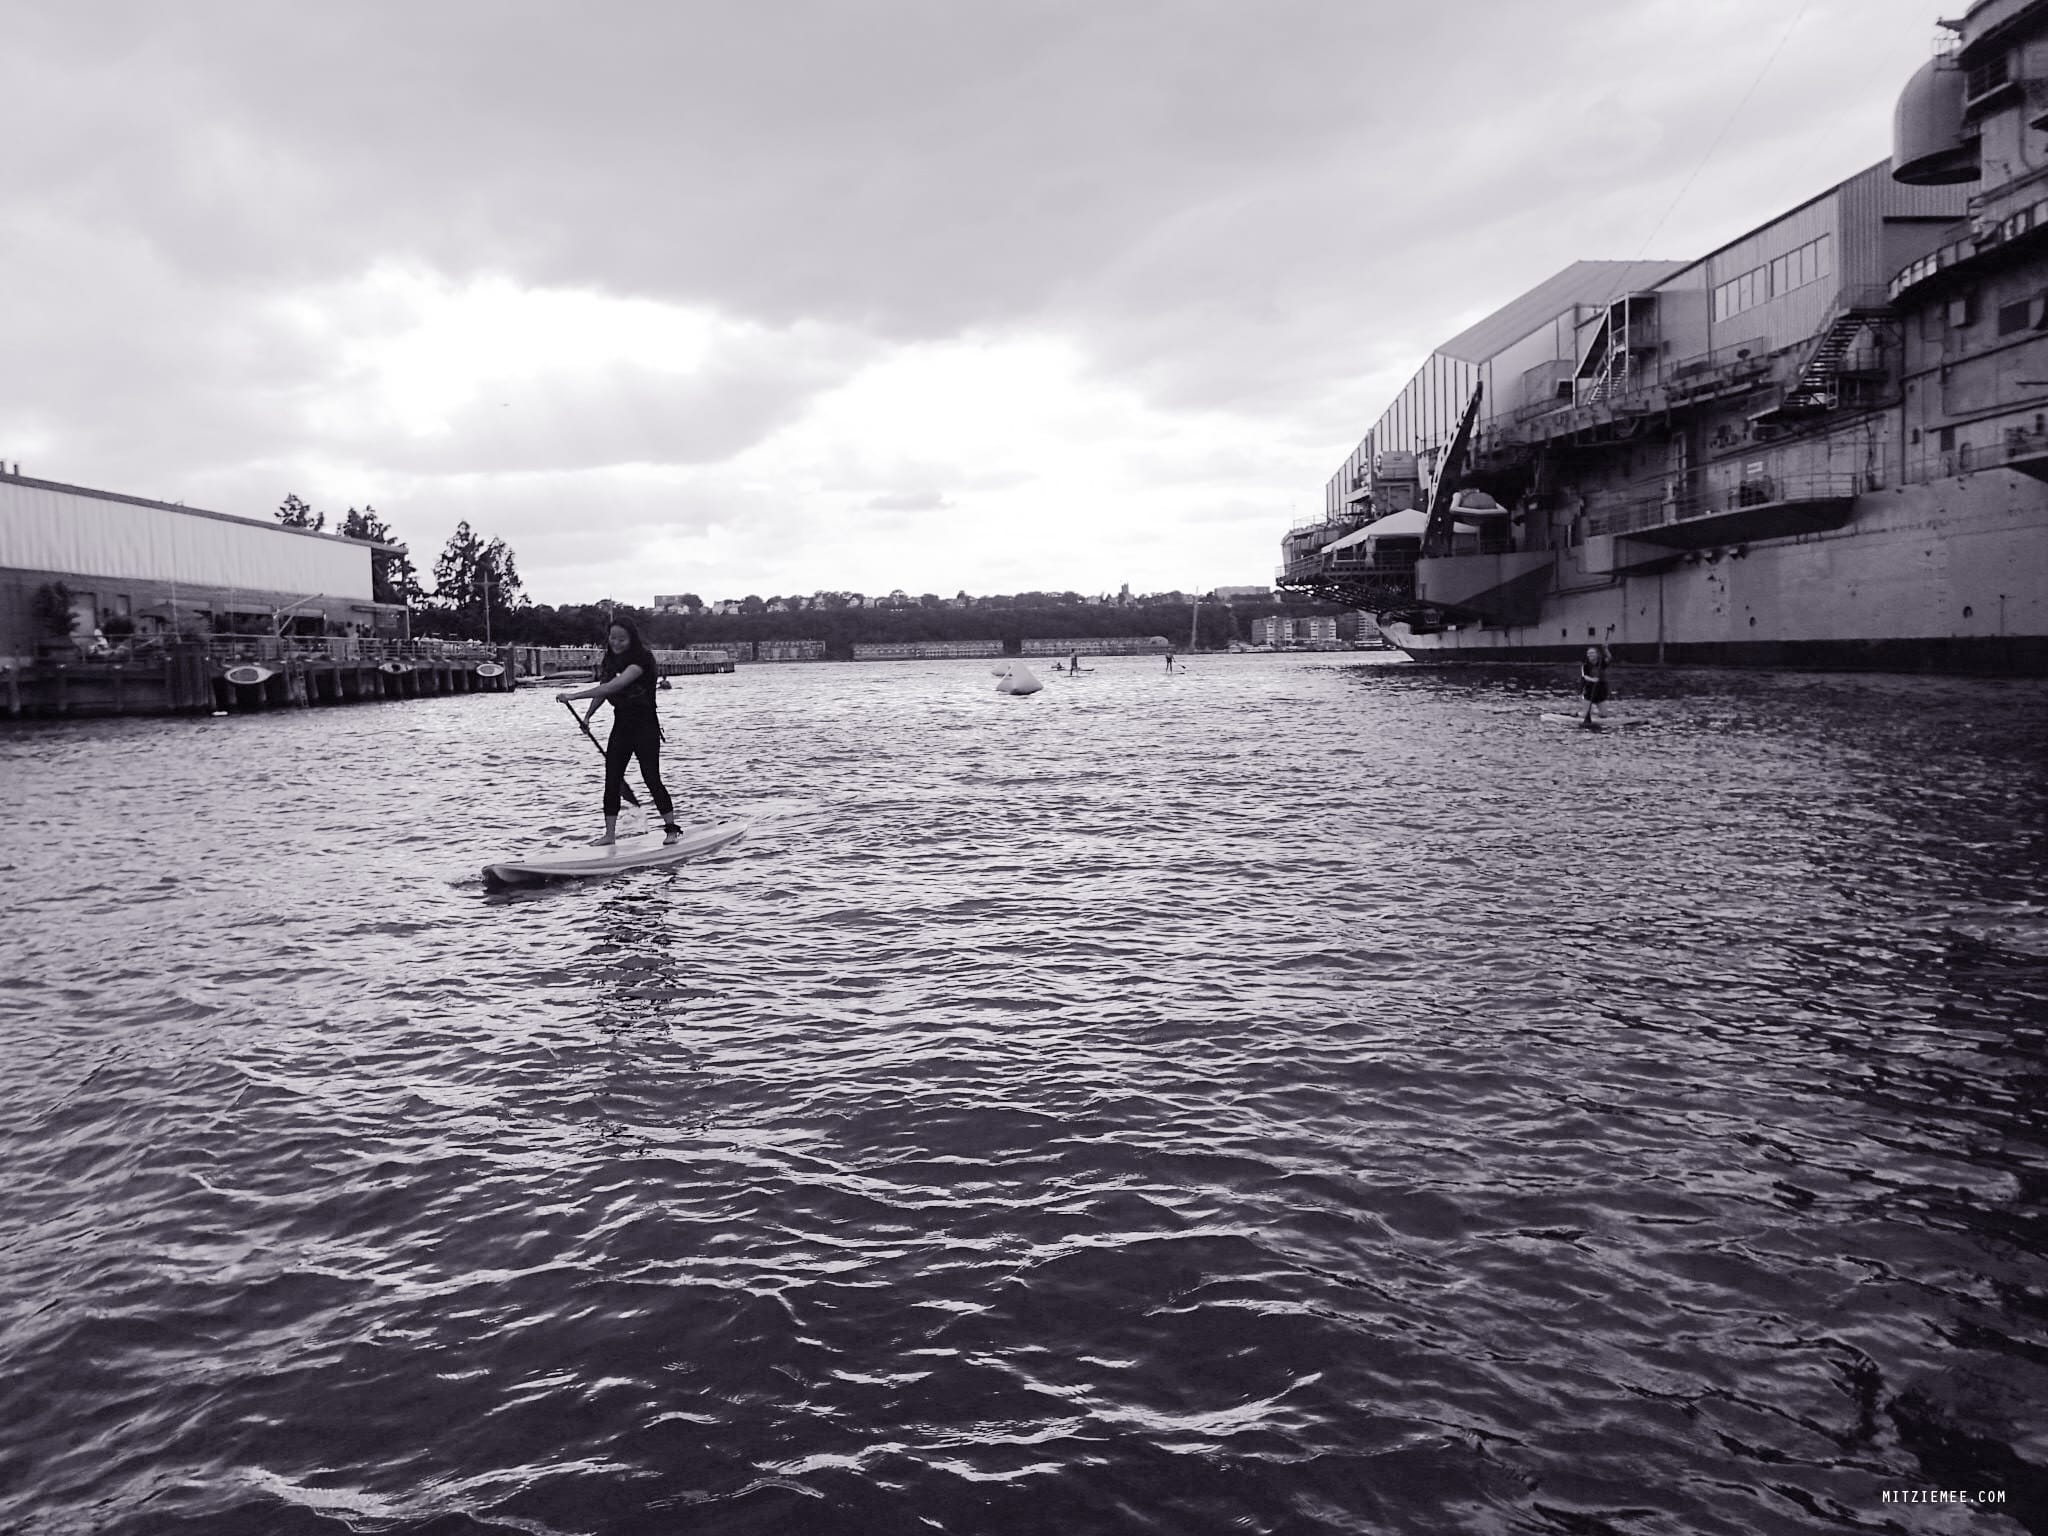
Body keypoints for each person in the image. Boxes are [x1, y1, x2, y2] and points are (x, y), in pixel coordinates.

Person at [556, 619, 681, 845]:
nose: (616, 642)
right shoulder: (611, 660)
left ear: (631, 639)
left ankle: (671, 829)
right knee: (612, 778)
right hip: (621, 724)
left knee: (650, 777)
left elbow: (613, 687)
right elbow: (603, 690)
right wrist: (587, 717)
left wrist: (573, 696)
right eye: (612, 638)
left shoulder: (642, 659)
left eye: (621, 639)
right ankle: (609, 835)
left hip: (645, 725)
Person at [1577, 642, 1611, 728]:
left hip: (1600, 692)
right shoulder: (1585, 665)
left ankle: (1595, 715)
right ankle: (1577, 715)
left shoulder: (1601, 663)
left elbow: (1609, 658)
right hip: (1589, 691)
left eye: (1592, 653)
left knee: (1604, 715)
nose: (1590, 655)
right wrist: (1593, 680)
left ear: (1597, 654)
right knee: (1585, 714)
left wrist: (1606, 649)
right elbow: (1584, 676)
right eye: (1588, 653)